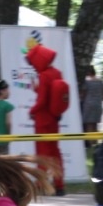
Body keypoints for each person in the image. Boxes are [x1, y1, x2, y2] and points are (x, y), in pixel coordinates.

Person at [26, 42, 70, 187]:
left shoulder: (43, 76)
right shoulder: (57, 73)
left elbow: (43, 101)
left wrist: (31, 111)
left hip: (42, 120)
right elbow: (52, 96)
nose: (33, 66)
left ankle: (42, 184)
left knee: (42, 154)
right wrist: (38, 90)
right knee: (55, 152)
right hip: (54, 119)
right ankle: (59, 185)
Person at [80, 65, 103, 134]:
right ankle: (95, 142)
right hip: (98, 105)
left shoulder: (87, 81)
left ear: (88, 72)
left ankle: (91, 143)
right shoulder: (100, 82)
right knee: (95, 125)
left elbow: (83, 95)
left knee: (89, 125)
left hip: (88, 105)